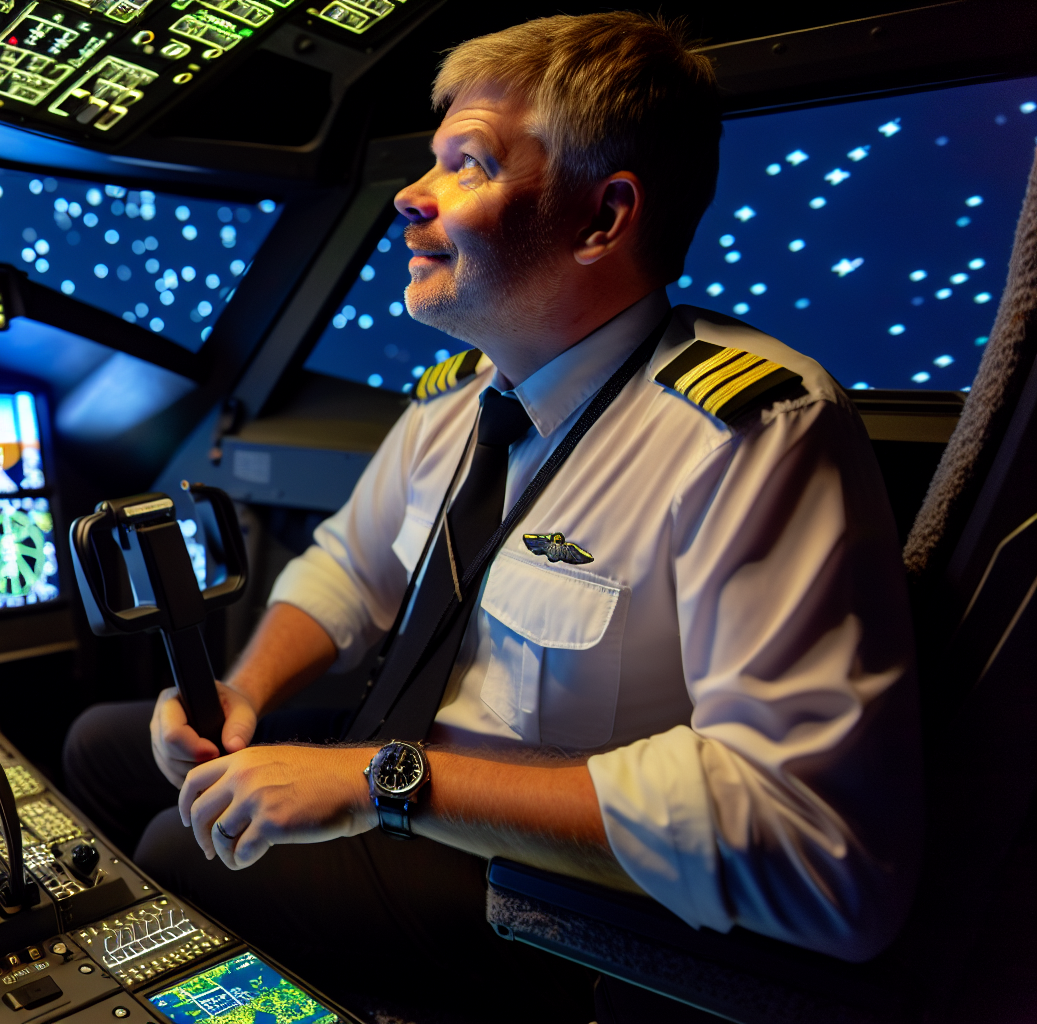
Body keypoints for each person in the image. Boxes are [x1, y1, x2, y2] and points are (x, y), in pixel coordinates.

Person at [62, 10, 922, 1017]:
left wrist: (376, 783)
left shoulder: (749, 434)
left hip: (540, 876)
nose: (409, 201)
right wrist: (240, 695)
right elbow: (350, 568)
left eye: (466, 165)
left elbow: (823, 853)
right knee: (100, 747)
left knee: (185, 846)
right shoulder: (464, 395)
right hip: (406, 772)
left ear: (601, 219)